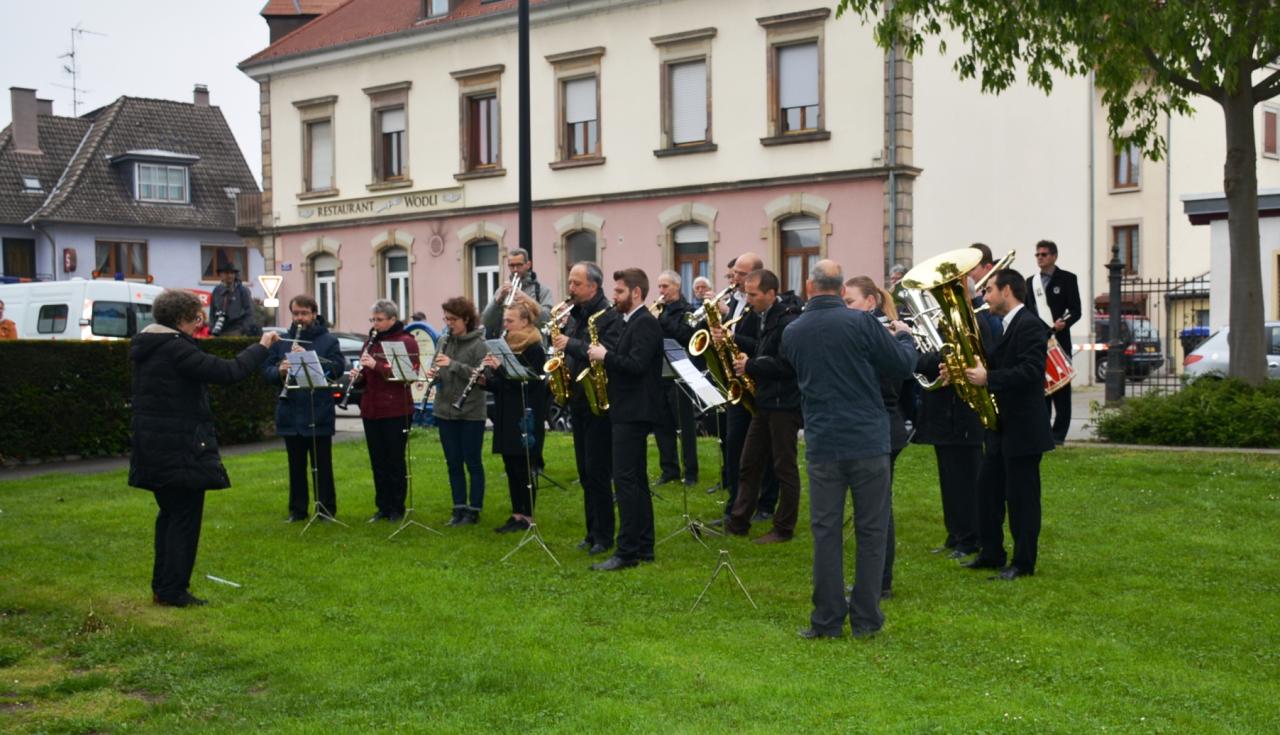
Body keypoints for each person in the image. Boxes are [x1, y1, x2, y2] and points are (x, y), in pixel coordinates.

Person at [781, 260, 917, 639]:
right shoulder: (862, 323)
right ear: (842, 291)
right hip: (868, 439)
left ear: (810, 287)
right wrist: (904, 336)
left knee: (825, 532)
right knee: (871, 530)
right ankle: (866, 619)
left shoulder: (793, 331)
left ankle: (826, 620)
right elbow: (904, 366)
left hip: (823, 440)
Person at [128, 289, 279, 607]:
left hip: (155, 447)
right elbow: (228, 372)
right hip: (179, 447)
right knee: (183, 518)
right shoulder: (174, 348)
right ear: (183, 318)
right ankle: (173, 590)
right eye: (197, 316)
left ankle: (163, 586)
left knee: (169, 515)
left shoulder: (150, 346)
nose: (200, 322)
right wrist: (261, 347)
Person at [961, 269, 1056, 580]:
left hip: (1024, 428)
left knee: (1022, 499)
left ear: (1007, 291)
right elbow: (998, 363)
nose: (984, 297)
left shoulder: (1030, 325)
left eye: (989, 290)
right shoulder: (1005, 325)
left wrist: (989, 378)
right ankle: (991, 552)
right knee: (987, 491)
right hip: (1001, 426)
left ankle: (1023, 563)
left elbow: (1030, 372)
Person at [586, 268, 664, 571]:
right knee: (636, 480)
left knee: (626, 481)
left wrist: (605, 356)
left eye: (619, 292)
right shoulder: (631, 321)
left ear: (636, 293)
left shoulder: (644, 323)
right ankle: (644, 546)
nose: (614, 297)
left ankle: (627, 551)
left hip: (634, 410)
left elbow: (636, 365)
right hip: (629, 408)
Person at [844, 275, 912, 596]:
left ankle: (879, 584)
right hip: (879, 427)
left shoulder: (878, 332)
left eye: (850, 302)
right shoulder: (867, 329)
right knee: (875, 507)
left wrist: (904, 339)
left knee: (876, 510)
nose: (845, 309)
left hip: (882, 427)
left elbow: (896, 374)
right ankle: (876, 581)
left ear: (870, 302)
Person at [725, 268, 802, 543]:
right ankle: (738, 521)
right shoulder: (763, 316)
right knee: (749, 462)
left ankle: (783, 527)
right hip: (765, 401)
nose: (749, 299)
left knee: (784, 466)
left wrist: (751, 365)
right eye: (747, 293)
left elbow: (787, 364)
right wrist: (742, 348)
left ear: (771, 294)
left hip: (784, 404)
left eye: (753, 294)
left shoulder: (788, 321)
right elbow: (763, 348)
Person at [552, 261, 622, 556]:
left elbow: (603, 352)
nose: (571, 288)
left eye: (576, 284)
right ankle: (591, 531)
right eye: (570, 282)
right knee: (584, 471)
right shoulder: (575, 313)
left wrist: (569, 343)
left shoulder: (608, 316)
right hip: (578, 399)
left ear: (593, 286)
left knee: (597, 471)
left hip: (599, 401)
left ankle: (605, 535)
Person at [263, 295, 346, 522]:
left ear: (314, 314)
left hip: (318, 410)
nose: (299, 318)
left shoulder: (328, 340)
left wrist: (311, 359)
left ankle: (326, 509)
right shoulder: (282, 341)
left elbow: (338, 367)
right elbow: (266, 371)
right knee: (295, 466)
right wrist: (280, 369)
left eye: (304, 313)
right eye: (296, 313)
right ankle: (297, 511)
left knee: (322, 465)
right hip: (290, 411)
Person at [482, 299, 548, 532]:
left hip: (525, 415)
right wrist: (485, 380)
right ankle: (516, 513)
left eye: (510, 321)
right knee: (510, 464)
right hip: (505, 412)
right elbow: (502, 384)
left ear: (524, 321)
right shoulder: (505, 344)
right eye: (505, 321)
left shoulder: (534, 347)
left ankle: (528, 516)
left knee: (524, 465)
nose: (506, 325)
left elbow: (527, 384)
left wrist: (500, 368)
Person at [352, 299, 419, 522]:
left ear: (392, 319)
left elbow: (406, 375)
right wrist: (358, 376)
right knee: (378, 461)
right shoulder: (371, 342)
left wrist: (375, 365)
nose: (375, 324)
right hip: (372, 408)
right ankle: (382, 506)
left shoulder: (405, 341)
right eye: (373, 319)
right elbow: (367, 377)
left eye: (379, 320)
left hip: (396, 408)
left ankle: (396, 507)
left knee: (394, 460)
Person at [428, 297, 489, 526]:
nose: (448, 323)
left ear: (466, 319)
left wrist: (452, 365)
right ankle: (458, 507)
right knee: (452, 462)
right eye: (446, 318)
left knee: (472, 461)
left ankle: (474, 509)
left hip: (471, 411)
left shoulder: (479, 345)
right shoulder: (444, 340)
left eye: (453, 319)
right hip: (444, 410)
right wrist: (434, 376)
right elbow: (440, 369)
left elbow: (482, 378)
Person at [1026, 240, 1081, 445]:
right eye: (1037, 255)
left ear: (1054, 256)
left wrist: (1063, 323)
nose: (1040, 258)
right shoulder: (1030, 282)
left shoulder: (1067, 279)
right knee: (1042, 387)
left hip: (1059, 340)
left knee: (1061, 388)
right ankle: (1044, 431)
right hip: (1038, 341)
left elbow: (1076, 310)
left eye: (1044, 254)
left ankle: (1059, 435)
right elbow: (1028, 309)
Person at [651, 270, 699, 486]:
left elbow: (686, 335)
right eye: (659, 287)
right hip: (658, 374)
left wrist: (661, 320)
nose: (661, 291)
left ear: (677, 287)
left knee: (685, 426)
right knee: (662, 425)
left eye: (665, 287)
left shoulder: (688, 311)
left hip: (680, 374)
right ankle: (669, 469)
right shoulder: (657, 311)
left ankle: (691, 472)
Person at [481, 247, 555, 336]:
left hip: (532, 344)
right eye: (511, 266)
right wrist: (497, 300)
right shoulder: (502, 290)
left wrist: (528, 300)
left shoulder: (543, 291)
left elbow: (547, 320)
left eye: (519, 265)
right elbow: (486, 321)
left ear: (528, 265)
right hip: (507, 344)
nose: (515, 269)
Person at [209, 262, 256, 336]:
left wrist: (243, 330)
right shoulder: (216, 291)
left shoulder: (242, 291)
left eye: (232, 273)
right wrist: (211, 329)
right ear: (221, 275)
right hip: (219, 331)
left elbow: (249, 312)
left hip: (236, 330)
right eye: (227, 273)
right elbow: (212, 312)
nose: (230, 275)